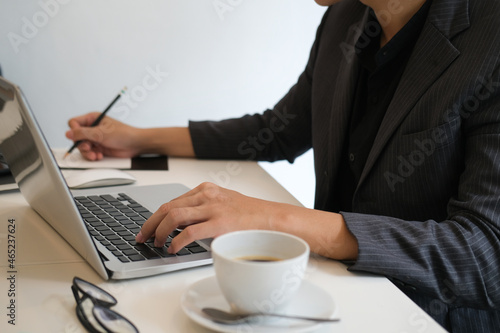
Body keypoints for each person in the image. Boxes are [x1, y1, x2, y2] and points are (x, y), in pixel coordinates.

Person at [66, 0, 500, 331]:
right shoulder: (345, 19)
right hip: (323, 294)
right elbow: (279, 130)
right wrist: (137, 139)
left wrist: (275, 218)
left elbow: (485, 254)